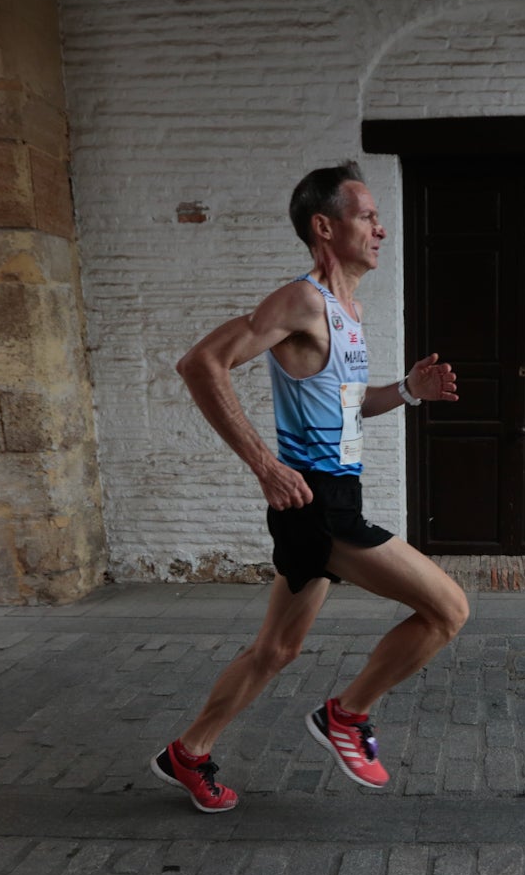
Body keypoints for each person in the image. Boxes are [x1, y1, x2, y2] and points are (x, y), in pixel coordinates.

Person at [150, 161, 469, 812]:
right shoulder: (302, 300)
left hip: (332, 499)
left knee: (276, 649)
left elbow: (348, 405)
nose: (381, 228)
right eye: (367, 216)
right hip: (317, 507)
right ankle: (346, 717)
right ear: (325, 226)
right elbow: (200, 363)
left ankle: (189, 751)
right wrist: (264, 464)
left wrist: (409, 390)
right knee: (448, 609)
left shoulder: (347, 312)